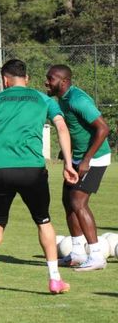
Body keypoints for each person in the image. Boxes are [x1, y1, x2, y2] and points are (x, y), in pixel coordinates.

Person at [0, 59, 78, 294]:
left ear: (4, 79)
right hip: (32, 169)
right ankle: (54, 279)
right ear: (27, 79)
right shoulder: (43, 99)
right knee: (44, 221)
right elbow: (62, 127)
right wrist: (68, 164)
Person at [45, 64, 111, 271]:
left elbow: (103, 128)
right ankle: (77, 252)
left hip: (95, 158)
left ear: (63, 82)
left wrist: (86, 160)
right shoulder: (62, 99)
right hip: (77, 159)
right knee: (68, 201)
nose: (47, 82)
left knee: (78, 201)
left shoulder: (77, 100)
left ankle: (97, 255)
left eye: (51, 78)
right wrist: (68, 155)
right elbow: (73, 130)